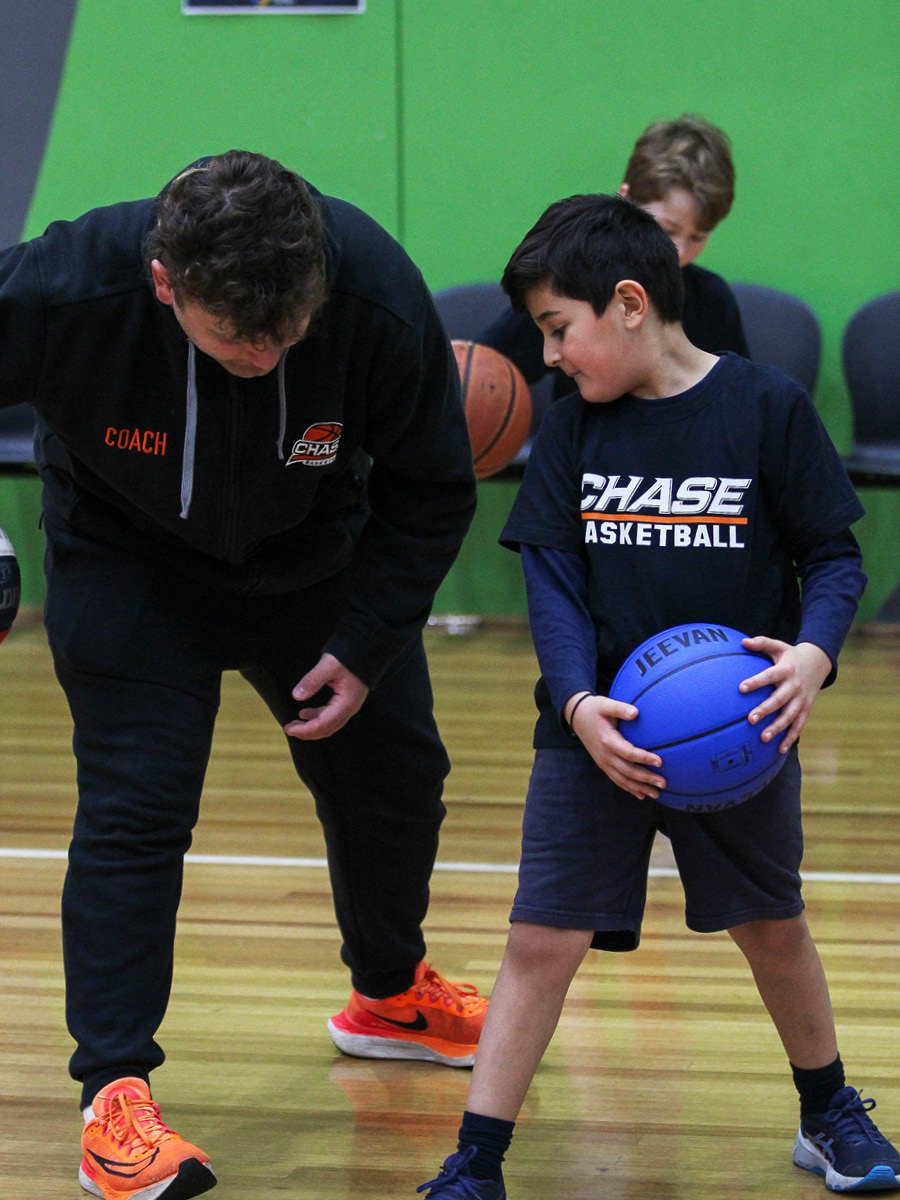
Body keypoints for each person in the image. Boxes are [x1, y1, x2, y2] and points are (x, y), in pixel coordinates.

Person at [0, 149, 489, 1200]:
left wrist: (366, 644)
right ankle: (114, 1096)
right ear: (165, 283)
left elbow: (433, 492)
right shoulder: (64, 285)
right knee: (137, 806)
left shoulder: (373, 292)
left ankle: (390, 993)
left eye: (289, 332)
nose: (268, 356)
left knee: (396, 778)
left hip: (320, 563)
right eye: (238, 338)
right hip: (126, 560)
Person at [416, 194, 900, 1197]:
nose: (549, 356)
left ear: (629, 303)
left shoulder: (766, 407)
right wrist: (580, 703)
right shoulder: (571, 430)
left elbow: (833, 557)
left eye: (560, 328)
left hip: (739, 726)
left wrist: (811, 657)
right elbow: (549, 579)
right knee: (540, 939)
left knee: (774, 924)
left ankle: (831, 1114)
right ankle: (478, 1157)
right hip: (594, 734)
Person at [479, 115, 749, 426]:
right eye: (666, 228)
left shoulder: (712, 300)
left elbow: (737, 408)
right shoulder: (568, 287)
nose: (680, 252)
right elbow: (485, 371)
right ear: (626, 199)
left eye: (698, 237)